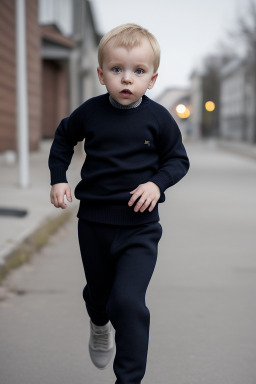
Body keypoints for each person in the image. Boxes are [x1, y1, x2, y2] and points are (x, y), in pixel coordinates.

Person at [48, 23, 190, 384]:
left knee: (127, 304)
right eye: (117, 70)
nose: (127, 80)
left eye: (138, 71)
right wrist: (59, 178)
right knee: (101, 298)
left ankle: (128, 379)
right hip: (94, 224)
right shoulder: (90, 113)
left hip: (140, 229)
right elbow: (63, 139)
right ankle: (98, 323)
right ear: (101, 74)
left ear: (152, 79)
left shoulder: (158, 118)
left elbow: (178, 160)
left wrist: (157, 185)